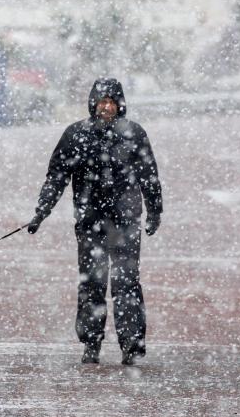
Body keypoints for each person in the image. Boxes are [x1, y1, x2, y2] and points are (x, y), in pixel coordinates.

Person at [25, 77, 162, 365]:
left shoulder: (134, 134)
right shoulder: (76, 135)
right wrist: (41, 211)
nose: (107, 107)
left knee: (126, 283)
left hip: (125, 222)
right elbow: (57, 177)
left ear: (120, 104)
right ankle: (91, 344)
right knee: (92, 283)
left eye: (112, 101)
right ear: (93, 104)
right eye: (102, 101)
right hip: (90, 222)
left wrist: (154, 210)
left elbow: (149, 176)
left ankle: (131, 347)